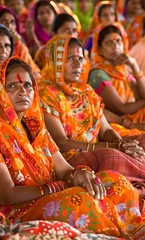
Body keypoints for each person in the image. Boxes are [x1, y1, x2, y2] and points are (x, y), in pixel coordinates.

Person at [0, 56, 144, 238]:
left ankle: (132, 230)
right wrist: (60, 186)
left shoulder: (35, 128)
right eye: (12, 86)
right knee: (80, 201)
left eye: (27, 85)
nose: (22, 91)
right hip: (21, 209)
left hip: (53, 193)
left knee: (114, 181)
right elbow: (5, 195)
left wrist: (78, 173)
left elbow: (64, 168)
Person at [38, 34, 145, 197]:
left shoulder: (86, 91)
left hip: (99, 149)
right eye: (70, 58)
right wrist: (115, 147)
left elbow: (105, 129)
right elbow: (62, 143)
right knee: (111, 156)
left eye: (80, 59)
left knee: (141, 140)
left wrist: (121, 143)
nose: (77, 64)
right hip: (70, 159)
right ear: (55, 62)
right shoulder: (46, 94)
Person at [88, 22, 145, 134]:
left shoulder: (124, 69)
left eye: (118, 41)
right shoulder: (98, 73)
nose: (115, 46)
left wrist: (134, 64)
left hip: (134, 117)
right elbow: (121, 109)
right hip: (116, 124)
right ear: (99, 48)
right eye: (109, 43)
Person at [0, 5, 41, 80]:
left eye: (12, 22)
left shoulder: (19, 46)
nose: (9, 26)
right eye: (4, 21)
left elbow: (33, 72)